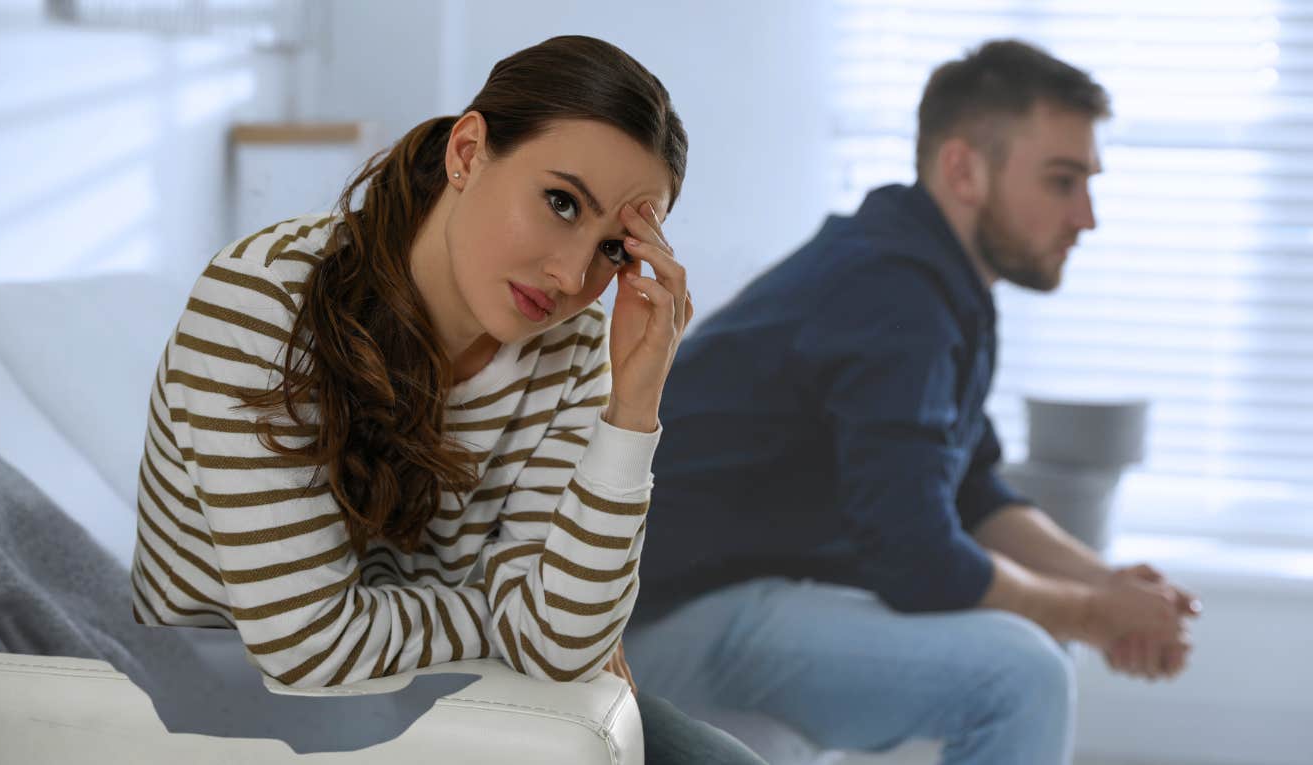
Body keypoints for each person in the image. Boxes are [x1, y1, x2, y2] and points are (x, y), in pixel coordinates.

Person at [131, 35, 764, 764]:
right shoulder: (260, 305)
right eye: (561, 202)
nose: (568, 274)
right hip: (240, 709)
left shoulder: (578, 347)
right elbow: (307, 648)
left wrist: (635, 407)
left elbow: (559, 643)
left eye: (614, 251)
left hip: (451, 688)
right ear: (467, 151)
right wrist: (502, 608)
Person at [624, 39, 1200, 765]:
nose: (1086, 216)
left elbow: (974, 488)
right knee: (1023, 672)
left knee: (1038, 644)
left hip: (734, 600)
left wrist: (1104, 582)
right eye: (1062, 180)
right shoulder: (893, 292)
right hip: (660, 622)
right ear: (963, 168)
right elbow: (919, 557)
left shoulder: (931, 282)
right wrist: (1094, 614)